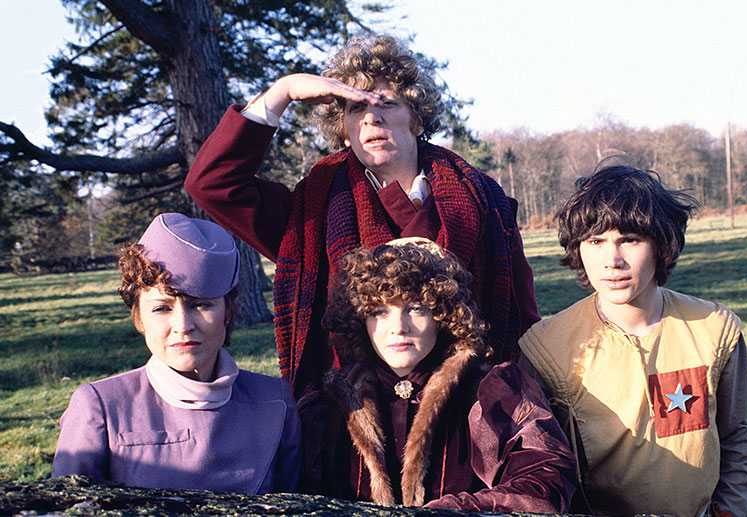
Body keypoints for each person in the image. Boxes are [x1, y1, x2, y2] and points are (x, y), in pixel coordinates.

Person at [184, 34, 539, 400]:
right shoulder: (311, 215)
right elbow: (212, 183)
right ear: (344, 131)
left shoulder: (483, 200)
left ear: (417, 121)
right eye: (356, 108)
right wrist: (282, 92)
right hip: (349, 417)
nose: (371, 117)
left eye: (387, 103)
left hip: (467, 410)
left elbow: (524, 321)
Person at [518, 162, 747, 516]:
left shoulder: (715, 329)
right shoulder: (545, 348)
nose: (612, 260)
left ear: (661, 244)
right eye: (595, 241)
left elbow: (737, 435)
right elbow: (534, 467)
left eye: (629, 240)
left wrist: (730, 511)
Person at [299, 238, 576, 512]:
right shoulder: (332, 403)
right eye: (379, 312)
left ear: (442, 315)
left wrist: (447, 512)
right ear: (362, 319)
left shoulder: (489, 391)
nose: (398, 327)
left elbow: (546, 484)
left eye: (415, 308)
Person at [52, 213, 301, 495]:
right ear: (139, 318)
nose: (183, 326)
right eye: (162, 308)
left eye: (201, 305)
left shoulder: (274, 400)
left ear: (229, 312)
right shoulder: (102, 407)